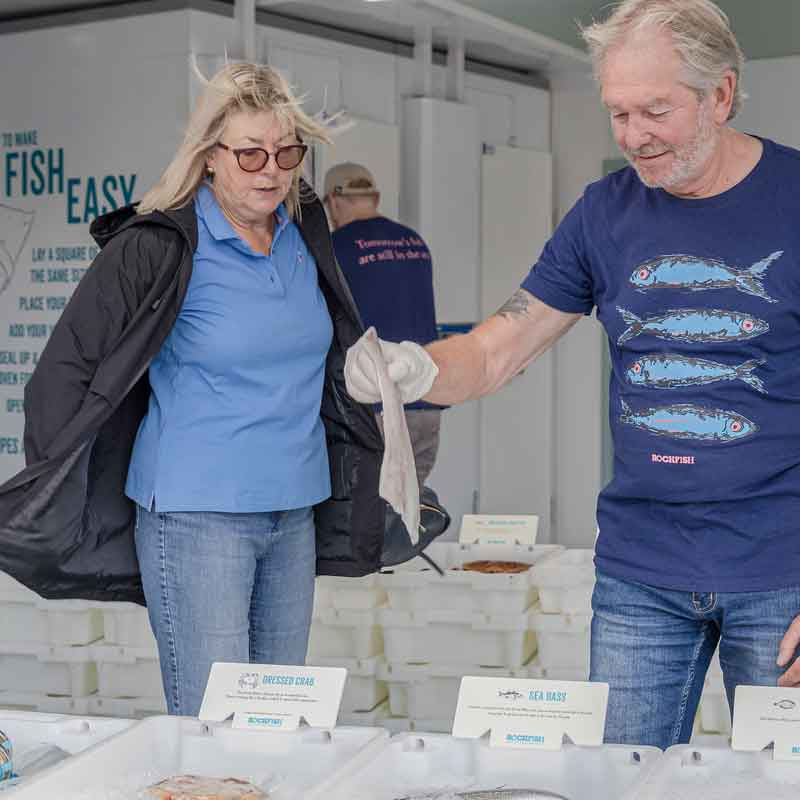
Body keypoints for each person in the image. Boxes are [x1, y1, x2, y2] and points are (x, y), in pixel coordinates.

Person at [344, 0, 800, 749]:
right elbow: (497, 347)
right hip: (641, 573)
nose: (633, 137)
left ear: (720, 94)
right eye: (617, 113)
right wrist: (417, 367)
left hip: (782, 570)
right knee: (615, 779)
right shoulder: (603, 212)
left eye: (655, 110)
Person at [0, 62, 392, 718]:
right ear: (209, 156)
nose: (270, 170)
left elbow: (325, 352)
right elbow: (61, 374)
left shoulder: (302, 234)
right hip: (196, 519)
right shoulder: (159, 246)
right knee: (214, 728)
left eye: (286, 153)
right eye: (249, 154)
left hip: (293, 513)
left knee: (278, 724)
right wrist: (61, 482)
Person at [324, 163, 442, 490]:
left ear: (334, 200)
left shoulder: (336, 248)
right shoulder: (414, 242)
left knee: (367, 517)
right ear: (374, 197)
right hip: (425, 398)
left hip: (373, 405)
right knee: (409, 513)